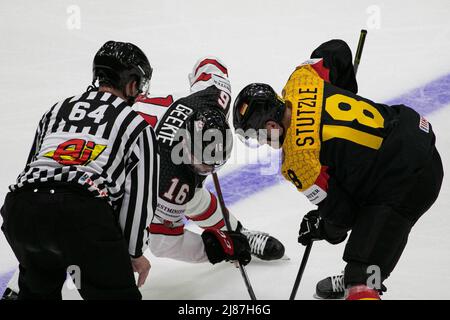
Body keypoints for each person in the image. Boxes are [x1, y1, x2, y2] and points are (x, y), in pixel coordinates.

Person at [232, 39, 444, 300]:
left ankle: (360, 279)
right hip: (411, 129)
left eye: (259, 136)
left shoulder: (297, 162)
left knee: (361, 280)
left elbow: (343, 217)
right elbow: (337, 50)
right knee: (357, 185)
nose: (263, 142)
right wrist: (344, 92)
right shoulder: (301, 81)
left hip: (408, 178)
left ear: (272, 126)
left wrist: (322, 227)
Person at [0, 40, 158, 300]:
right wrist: (134, 252)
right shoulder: (137, 125)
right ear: (131, 83)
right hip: (79, 214)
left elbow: (32, 168)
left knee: (37, 290)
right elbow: (138, 202)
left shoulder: (57, 109)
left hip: (22, 211)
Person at [133, 57, 285, 264]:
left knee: (191, 196)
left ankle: (238, 234)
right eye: (201, 163)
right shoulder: (168, 177)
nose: (207, 169)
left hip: (135, 114)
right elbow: (163, 243)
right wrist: (217, 250)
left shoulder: (213, 97)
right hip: (113, 158)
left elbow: (210, 63)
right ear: (184, 145)